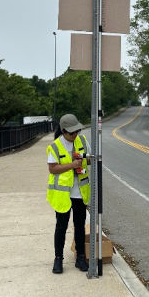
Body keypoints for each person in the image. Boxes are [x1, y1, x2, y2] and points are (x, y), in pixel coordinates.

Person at [46, 113, 90, 273]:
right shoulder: (55, 146)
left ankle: (80, 258)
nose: (75, 134)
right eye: (72, 132)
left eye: (77, 131)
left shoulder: (82, 141)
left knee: (80, 226)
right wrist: (72, 165)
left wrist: (83, 159)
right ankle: (58, 259)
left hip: (80, 192)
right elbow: (52, 168)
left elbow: (89, 159)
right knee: (61, 227)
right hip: (63, 194)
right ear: (63, 131)